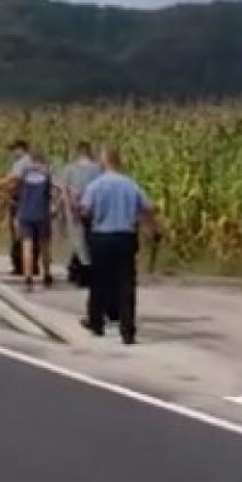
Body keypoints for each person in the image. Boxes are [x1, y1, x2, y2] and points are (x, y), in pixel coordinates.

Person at [79, 147, 160, 345]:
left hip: (102, 237)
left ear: (104, 162)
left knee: (99, 281)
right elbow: (149, 207)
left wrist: (89, 222)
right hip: (125, 237)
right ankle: (127, 331)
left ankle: (96, 322)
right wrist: (153, 229)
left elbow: (85, 210)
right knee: (126, 284)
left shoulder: (95, 185)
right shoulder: (131, 185)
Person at [14, 149, 58, 291]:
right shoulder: (47, 174)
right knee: (45, 245)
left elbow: (17, 192)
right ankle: (47, 274)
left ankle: (28, 277)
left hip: (25, 213)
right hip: (42, 214)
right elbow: (55, 191)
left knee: (27, 246)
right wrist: (55, 206)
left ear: (31, 159)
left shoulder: (24, 174)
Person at [62, 141, 102, 286]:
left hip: (75, 209)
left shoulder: (70, 169)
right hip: (93, 209)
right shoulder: (98, 169)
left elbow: (65, 191)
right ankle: (90, 270)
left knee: (78, 239)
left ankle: (82, 271)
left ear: (78, 152)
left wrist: (67, 207)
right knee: (91, 239)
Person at [0, 140, 31, 274]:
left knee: (18, 233)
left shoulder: (23, 162)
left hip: (20, 201)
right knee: (22, 233)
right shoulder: (24, 162)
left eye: (14, 149)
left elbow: (14, 178)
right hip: (23, 200)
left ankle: (20, 265)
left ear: (21, 148)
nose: (12, 153)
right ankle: (26, 264)